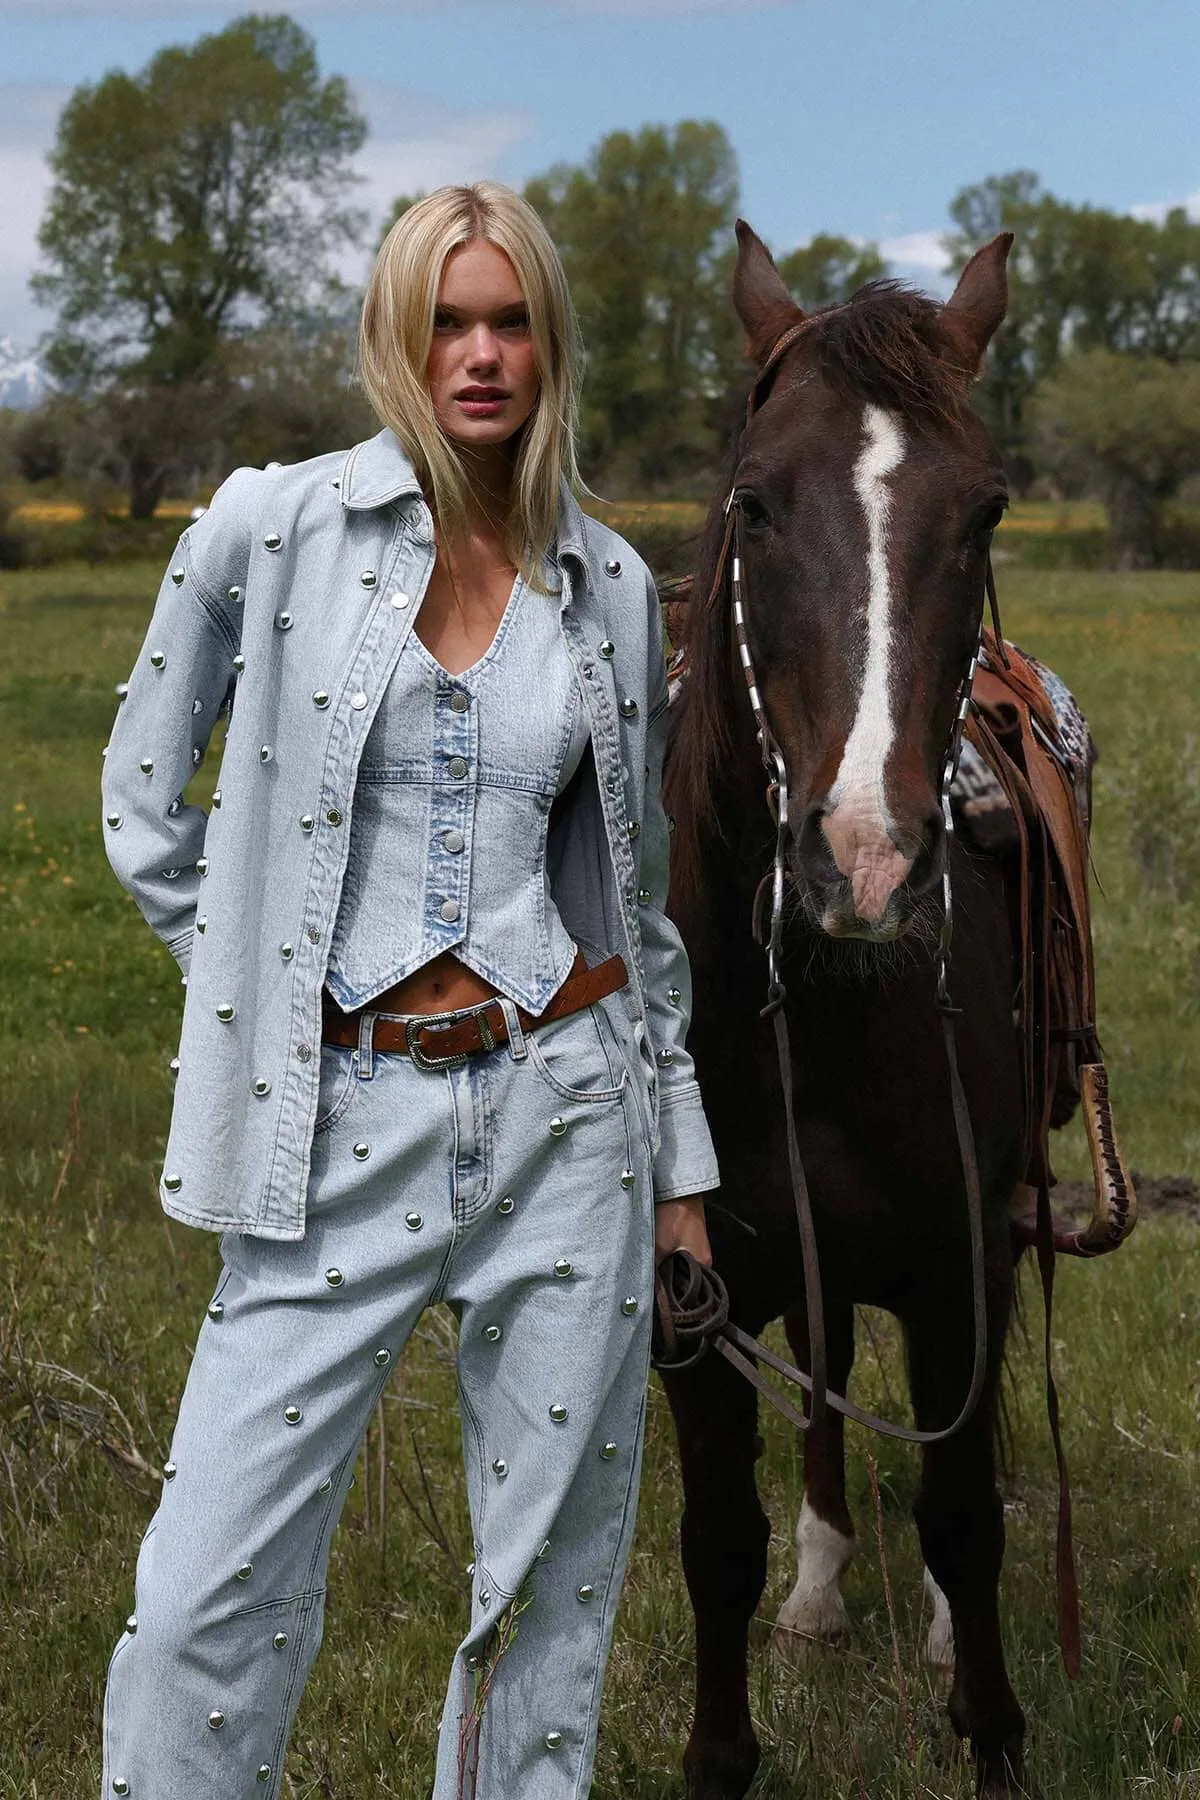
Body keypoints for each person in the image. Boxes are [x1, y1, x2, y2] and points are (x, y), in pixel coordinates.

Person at [98, 181, 719, 1799]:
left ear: (552, 342)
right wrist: (251, 994)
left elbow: (638, 912)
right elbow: (141, 802)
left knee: (546, 1604)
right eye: (449, 320)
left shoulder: (612, 586)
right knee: (197, 1598)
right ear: (395, 334)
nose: (483, 353)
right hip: (331, 1121)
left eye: (512, 320)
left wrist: (684, 1178)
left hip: (567, 1115)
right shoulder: (271, 527)